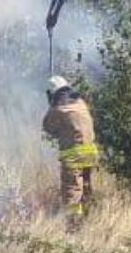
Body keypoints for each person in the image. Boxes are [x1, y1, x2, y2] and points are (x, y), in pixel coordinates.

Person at [42, 75, 99, 221]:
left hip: (74, 155)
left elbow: (48, 127)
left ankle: (73, 223)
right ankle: (90, 217)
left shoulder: (59, 108)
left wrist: (51, 105)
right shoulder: (81, 102)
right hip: (91, 152)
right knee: (86, 186)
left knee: (72, 190)